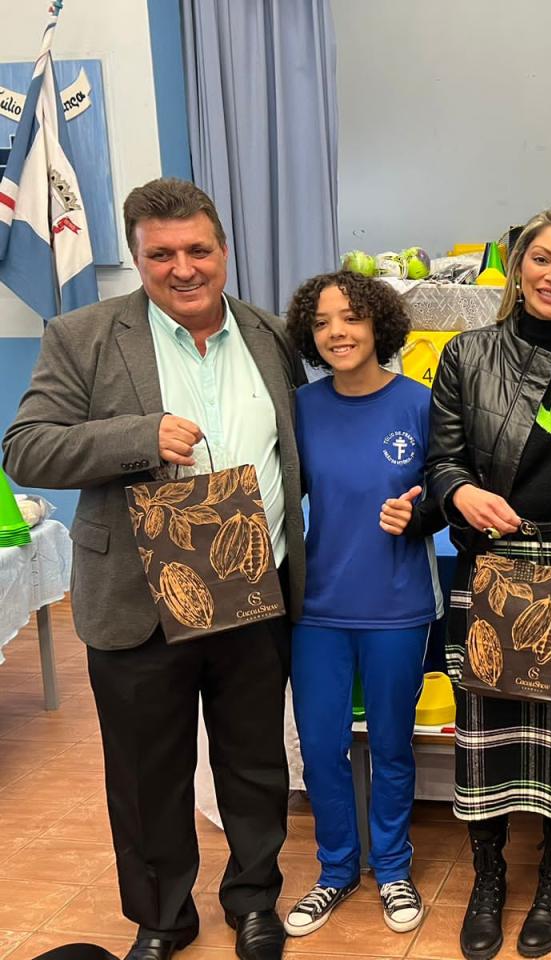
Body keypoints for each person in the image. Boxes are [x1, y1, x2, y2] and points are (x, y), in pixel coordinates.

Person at [3, 178, 305, 960]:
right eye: (161, 254)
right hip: (140, 598)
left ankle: (254, 901)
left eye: (197, 249)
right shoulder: (83, 335)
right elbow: (25, 448)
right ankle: (164, 918)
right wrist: (139, 437)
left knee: (254, 761)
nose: (183, 268)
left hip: (253, 588)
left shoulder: (271, 335)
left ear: (224, 251)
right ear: (137, 258)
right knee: (146, 774)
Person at [425, 208, 551, 960]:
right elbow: (442, 458)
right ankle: (489, 878)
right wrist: (460, 492)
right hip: (497, 561)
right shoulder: (467, 354)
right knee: (490, 732)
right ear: (517, 265)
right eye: (541, 259)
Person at [281, 272, 444, 937]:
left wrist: (421, 514)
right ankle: (336, 870)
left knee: (391, 745)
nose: (337, 332)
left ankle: (394, 867)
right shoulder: (299, 407)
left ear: (379, 324)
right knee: (321, 748)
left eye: (350, 317)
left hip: (397, 606)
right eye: (322, 323)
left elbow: (449, 493)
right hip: (316, 609)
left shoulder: (420, 404)